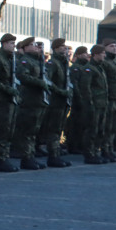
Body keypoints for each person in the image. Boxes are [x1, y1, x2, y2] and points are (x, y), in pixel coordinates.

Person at [10, 37, 48, 170]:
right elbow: (23, 76)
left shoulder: (37, 61)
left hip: (37, 100)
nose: (36, 47)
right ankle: (26, 158)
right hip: (29, 100)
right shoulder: (25, 61)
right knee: (27, 132)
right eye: (32, 45)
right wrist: (40, 83)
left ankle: (31, 156)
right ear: (25, 48)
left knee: (33, 131)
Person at [37, 38, 73, 168]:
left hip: (62, 102)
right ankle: (53, 156)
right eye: (62, 46)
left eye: (65, 46)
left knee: (58, 130)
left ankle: (56, 154)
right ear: (56, 48)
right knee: (53, 130)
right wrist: (60, 91)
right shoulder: (53, 63)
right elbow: (47, 80)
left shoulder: (63, 63)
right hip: (55, 102)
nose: (65, 48)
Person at [0, 34, 20, 173]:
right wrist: (7, 89)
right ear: (4, 44)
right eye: (11, 43)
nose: (14, 46)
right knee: (2, 130)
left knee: (9, 130)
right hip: (2, 100)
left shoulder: (10, 58)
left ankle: (5, 157)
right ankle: (1, 159)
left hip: (10, 100)